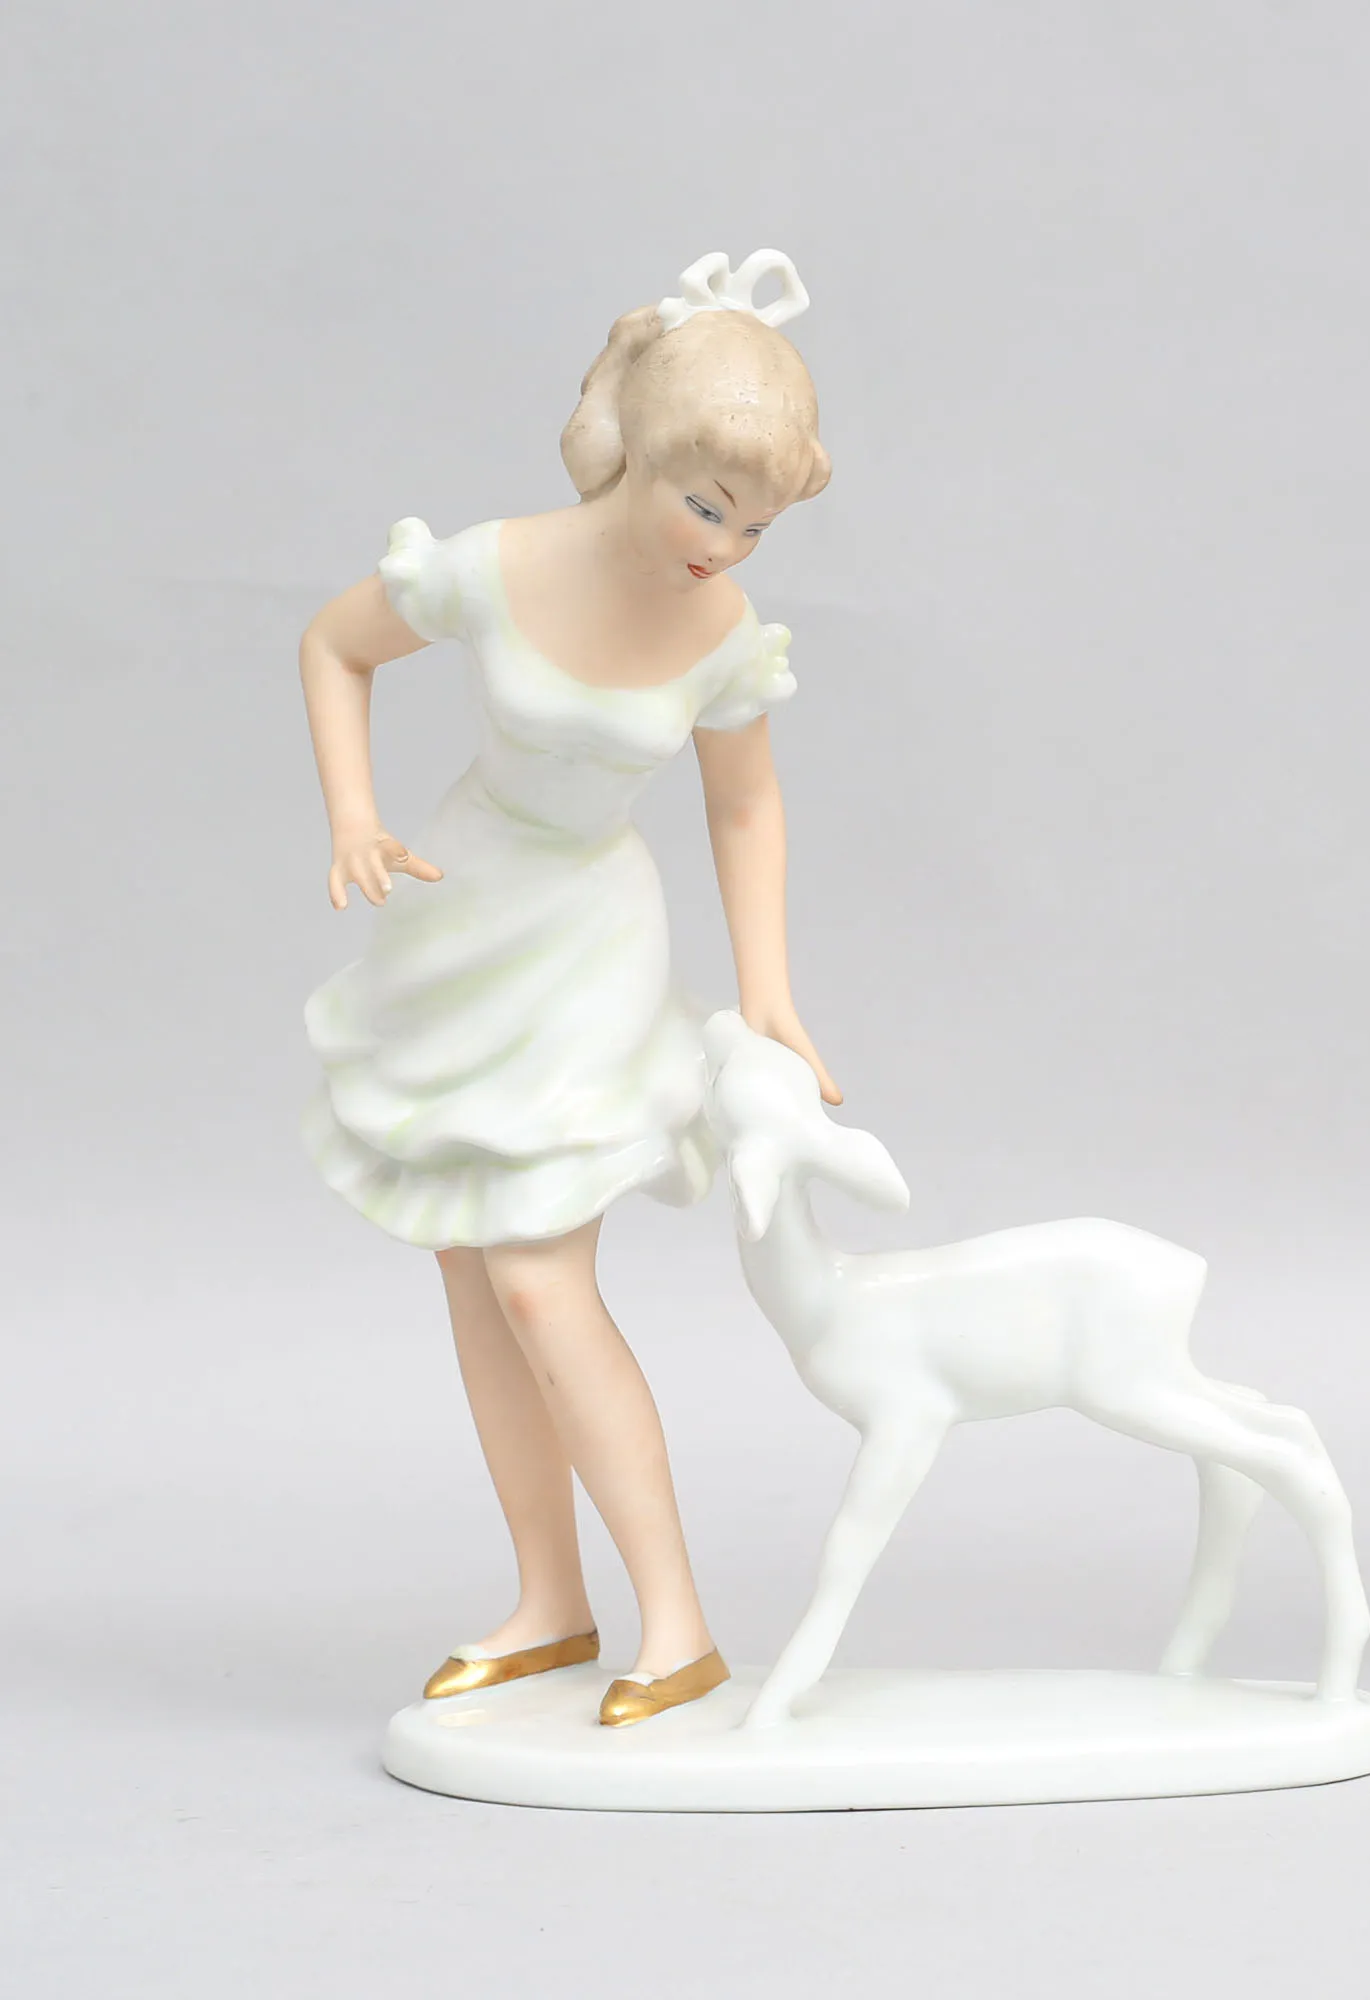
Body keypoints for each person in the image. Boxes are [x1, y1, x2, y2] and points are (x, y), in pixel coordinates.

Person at [298, 252, 841, 1724]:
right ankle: (550, 1599)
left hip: (590, 939)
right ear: (643, 456)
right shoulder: (497, 564)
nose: (728, 548)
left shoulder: (719, 632)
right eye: (708, 507)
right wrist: (354, 815)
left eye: (757, 524)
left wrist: (769, 991)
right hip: (465, 910)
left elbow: (745, 804)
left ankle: (679, 1621)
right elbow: (338, 644)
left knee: (542, 1279)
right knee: (471, 1272)